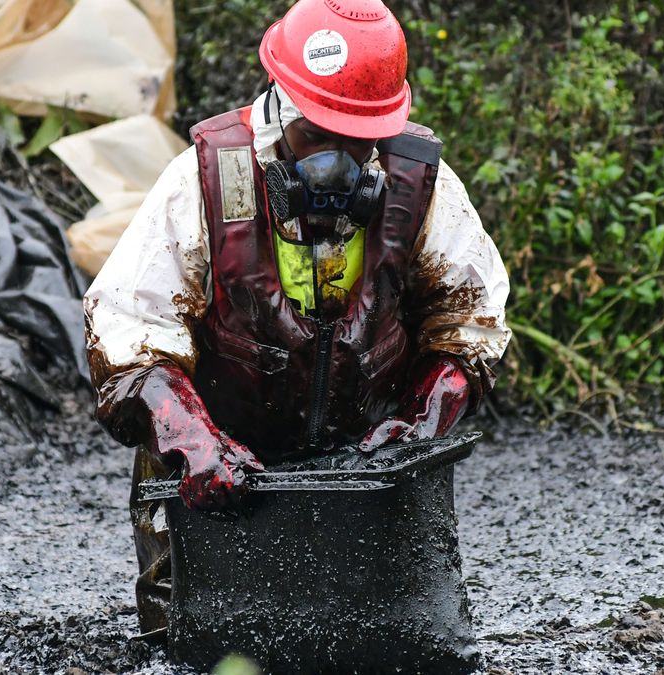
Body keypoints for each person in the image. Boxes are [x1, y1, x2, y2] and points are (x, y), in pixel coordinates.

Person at [83, 0, 511, 634]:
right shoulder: (205, 181)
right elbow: (128, 331)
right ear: (281, 103)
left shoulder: (418, 182)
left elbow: (470, 321)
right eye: (319, 136)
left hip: (367, 463)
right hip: (219, 461)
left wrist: (420, 423)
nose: (336, 161)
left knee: (378, 637)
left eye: (357, 140)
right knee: (194, 637)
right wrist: (192, 441)